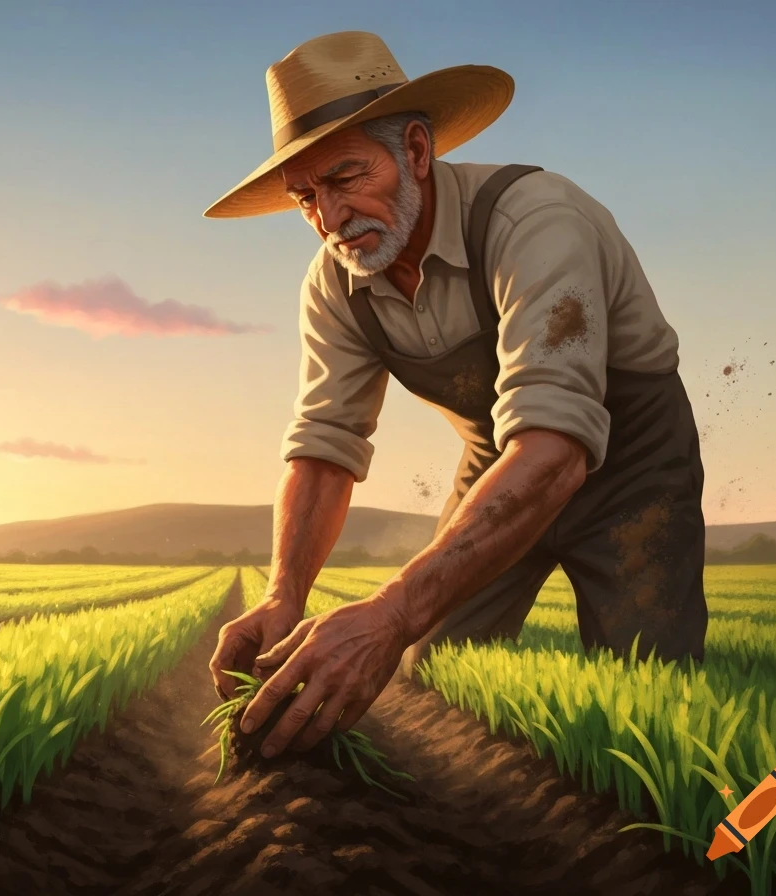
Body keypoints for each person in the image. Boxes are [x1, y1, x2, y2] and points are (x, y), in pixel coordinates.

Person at [205, 31, 708, 760]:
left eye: (345, 177)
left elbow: (557, 447)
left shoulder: (534, 221)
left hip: (632, 468)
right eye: (306, 197)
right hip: (498, 460)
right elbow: (325, 446)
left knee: (656, 696)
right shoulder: (334, 283)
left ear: (416, 150)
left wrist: (390, 612)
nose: (330, 218)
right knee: (438, 669)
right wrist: (284, 594)